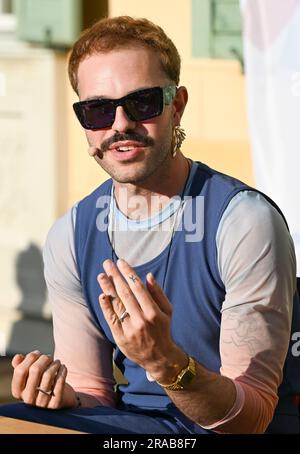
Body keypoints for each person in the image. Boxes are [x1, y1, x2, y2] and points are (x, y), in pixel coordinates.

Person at [1, 16, 300, 434]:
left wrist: (167, 363)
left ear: (176, 105)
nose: (120, 124)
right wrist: (62, 395)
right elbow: (93, 391)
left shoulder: (244, 222)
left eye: (142, 103)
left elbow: (251, 420)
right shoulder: (71, 235)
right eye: (99, 110)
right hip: (137, 428)